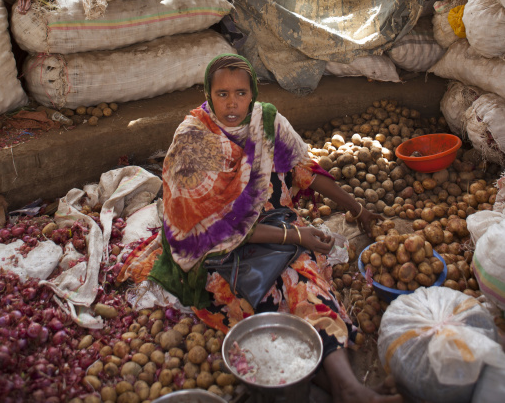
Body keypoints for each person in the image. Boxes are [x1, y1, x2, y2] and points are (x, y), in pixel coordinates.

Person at [117, 54, 402, 403]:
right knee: (261, 295)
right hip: (215, 247)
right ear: (208, 93)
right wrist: (296, 236)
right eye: (222, 94)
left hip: (274, 223)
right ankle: (336, 386)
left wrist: (360, 211)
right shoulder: (192, 139)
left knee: (304, 280)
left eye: (240, 93)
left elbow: (304, 169)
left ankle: (345, 386)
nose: (232, 102)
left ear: (252, 93)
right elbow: (213, 226)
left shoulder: (266, 122)